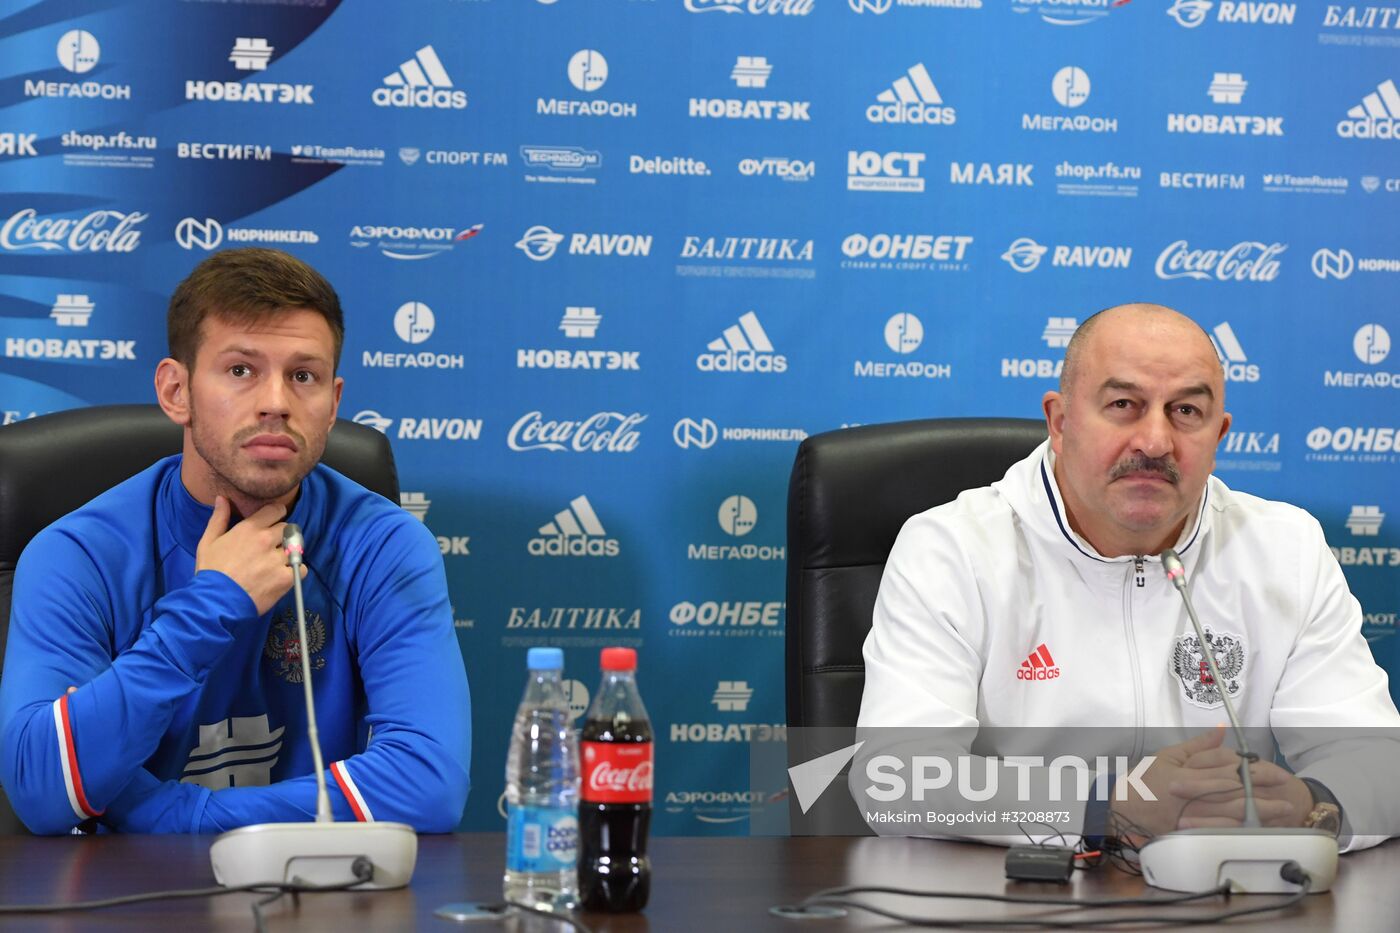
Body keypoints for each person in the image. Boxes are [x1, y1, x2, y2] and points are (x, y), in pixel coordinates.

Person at [857, 302, 1400, 849]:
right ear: (1061, 422)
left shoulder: (1286, 548)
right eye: (1124, 405)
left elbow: (1379, 760)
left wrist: (1309, 807)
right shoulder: (953, 547)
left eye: (1186, 412)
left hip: (1224, 897)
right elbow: (896, 776)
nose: (1155, 442)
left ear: (1219, 436)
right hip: (1016, 897)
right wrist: (1108, 808)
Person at [0, 248, 471, 834]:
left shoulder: (385, 546)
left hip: (320, 902)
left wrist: (179, 815)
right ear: (176, 391)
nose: (276, 401)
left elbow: (428, 785)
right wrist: (209, 605)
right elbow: (41, 786)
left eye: (304, 376)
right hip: (128, 906)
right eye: (241, 370)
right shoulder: (78, 555)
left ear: (333, 405)